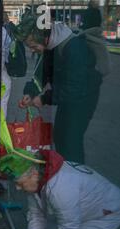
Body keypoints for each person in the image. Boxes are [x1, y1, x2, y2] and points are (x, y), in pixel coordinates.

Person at [0, 148, 120, 229]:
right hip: (87, 210)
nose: (18, 188)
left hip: (108, 212)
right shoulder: (40, 174)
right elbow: (37, 214)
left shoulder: (60, 189)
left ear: (34, 173)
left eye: (19, 183)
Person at [15, 15, 102, 164]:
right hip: (70, 95)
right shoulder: (52, 44)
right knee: (61, 135)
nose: (33, 51)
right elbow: (40, 74)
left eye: (34, 46)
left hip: (83, 99)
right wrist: (30, 93)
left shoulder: (74, 49)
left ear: (45, 39)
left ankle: (74, 174)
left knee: (70, 140)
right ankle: (65, 169)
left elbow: (74, 87)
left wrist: (44, 99)